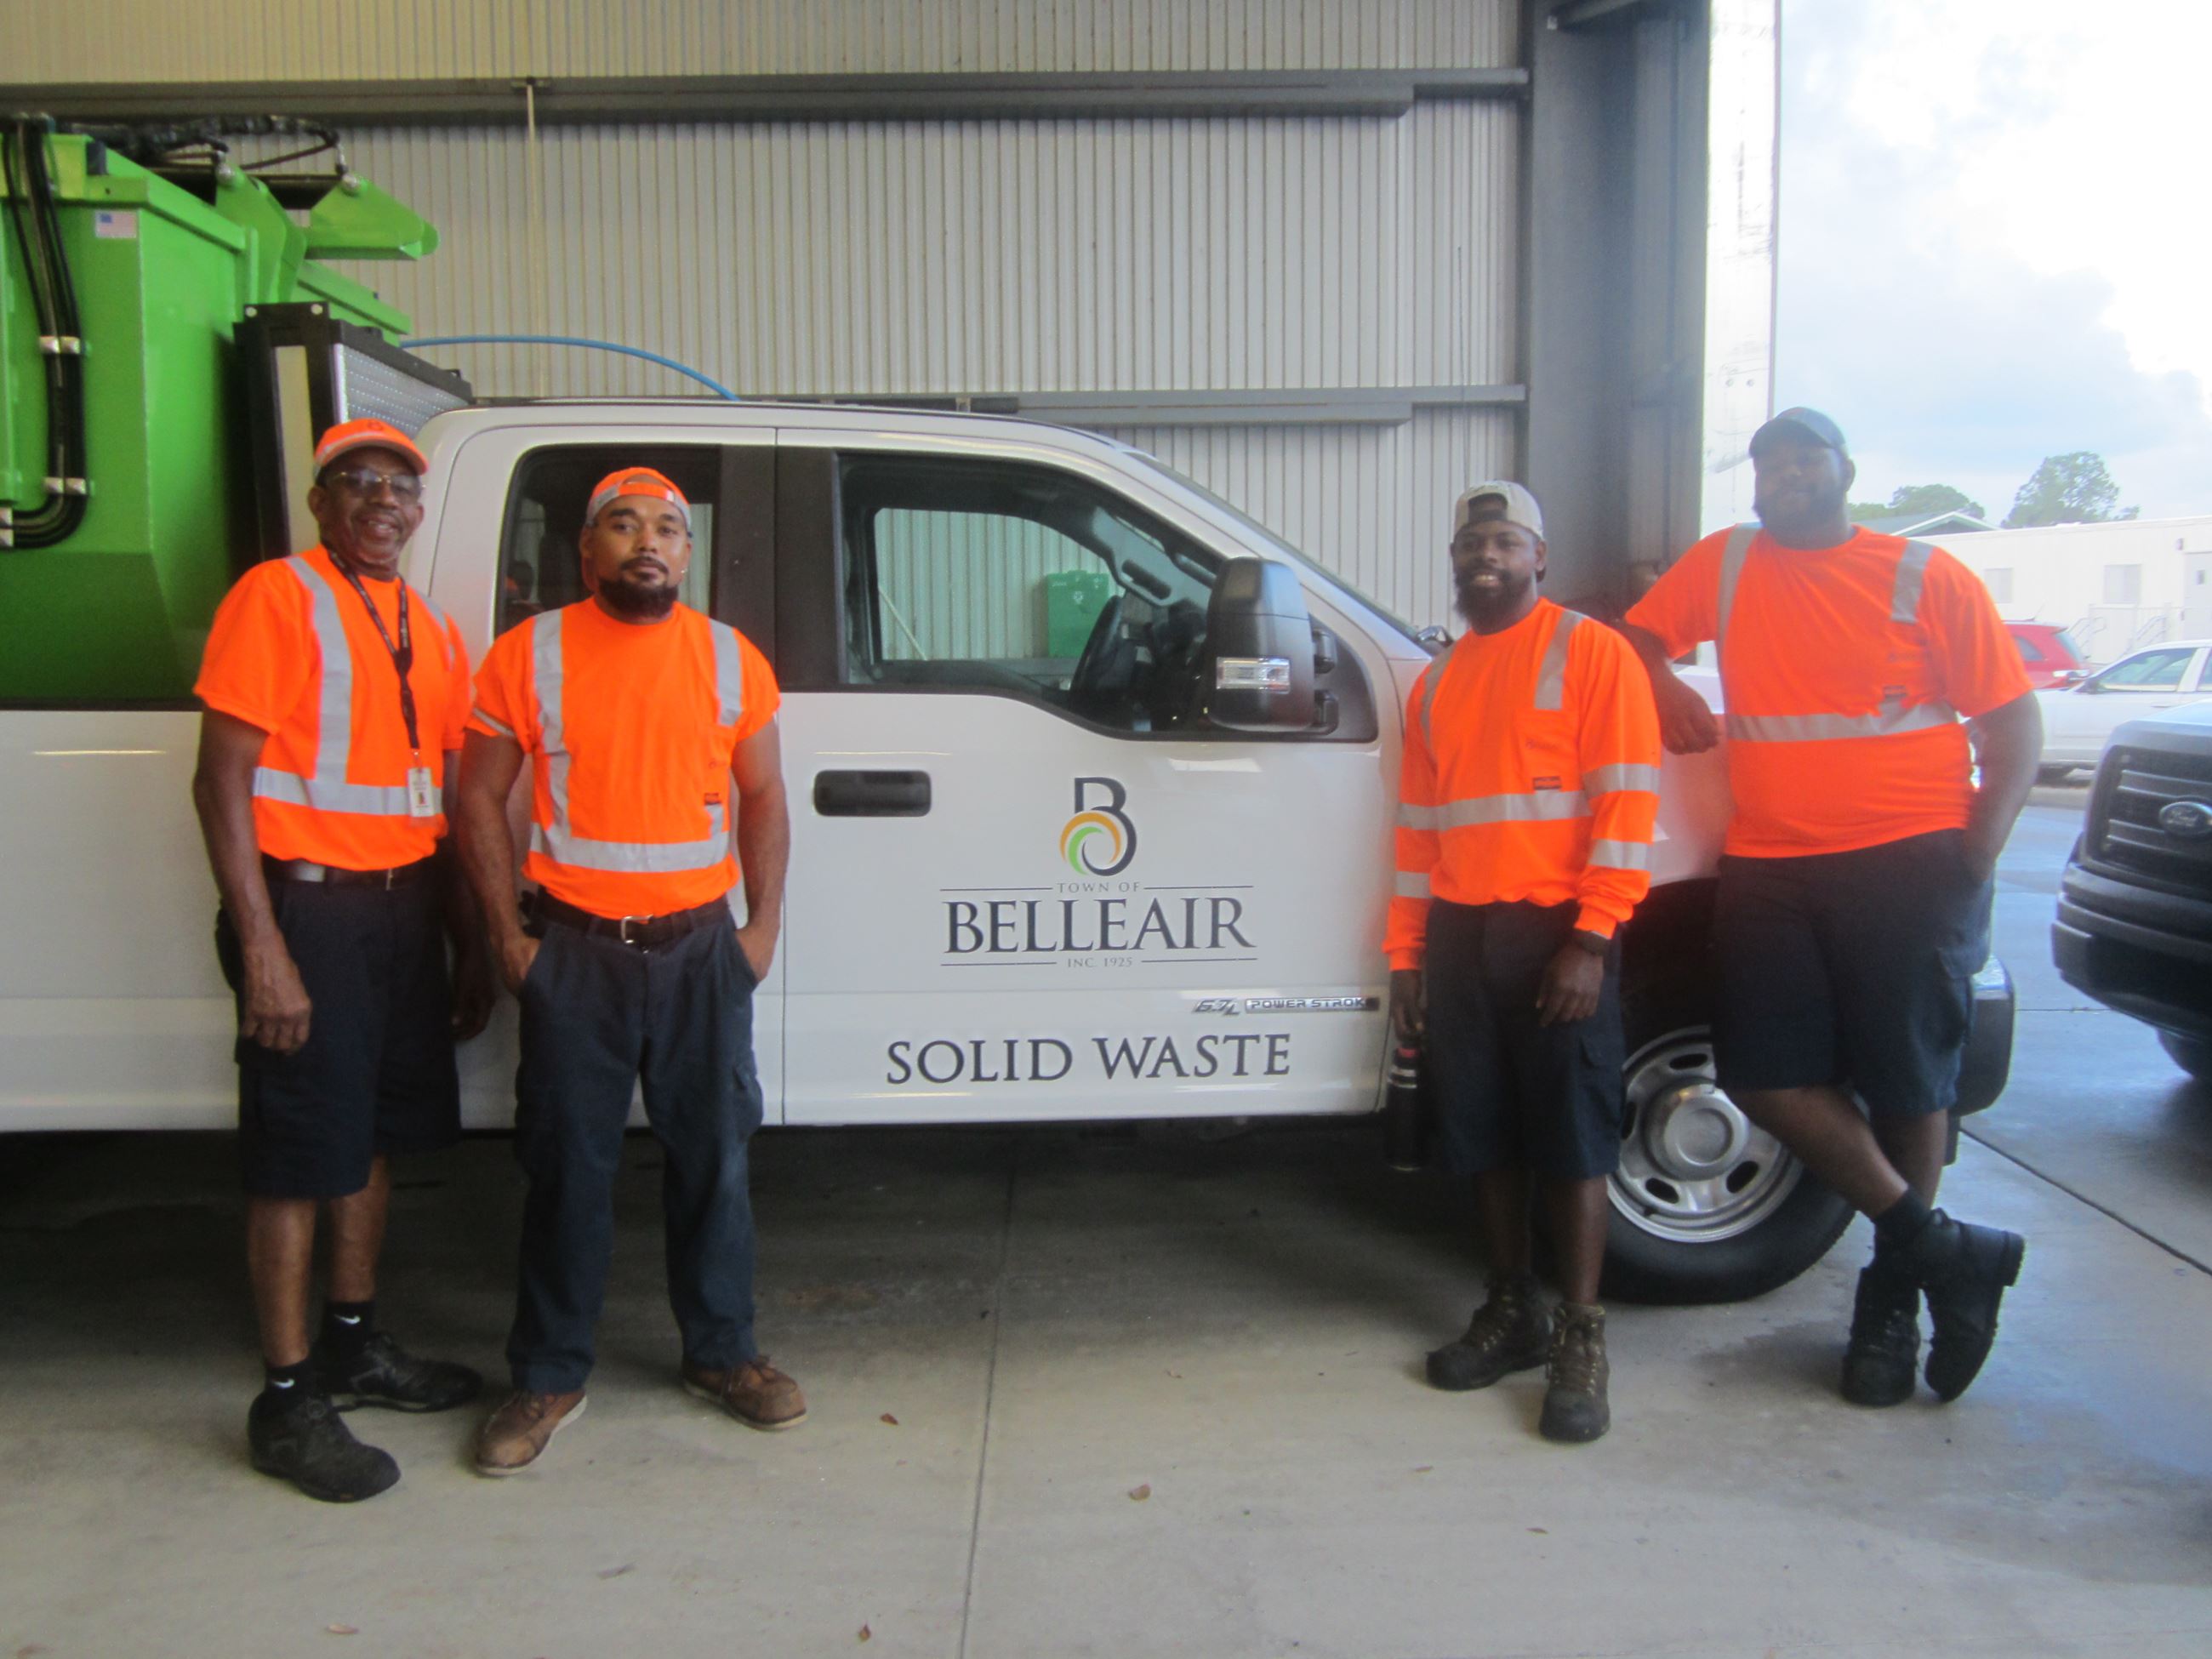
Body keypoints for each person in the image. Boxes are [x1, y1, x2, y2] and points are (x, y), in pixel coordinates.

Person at [1620, 407, 2041, 1407]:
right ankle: (1948, 1251)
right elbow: (1629, 637)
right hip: (1769, 864)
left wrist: (1974, 853)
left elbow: (2012, 724)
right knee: (1765, 1077)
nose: (1785, 474)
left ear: (1843, 469)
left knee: (1907, 1084)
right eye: (1768, 461)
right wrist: (1661, 680)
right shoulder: (1727, 562)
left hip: (1909, 861)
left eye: (1804, 458)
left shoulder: (1922, 574)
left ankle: (1888, 1305)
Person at [454, 465, 801, 1475]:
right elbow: (476, 799)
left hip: (701, 953)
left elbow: (765, 796)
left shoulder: (730, 658)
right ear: (587, 549)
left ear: (687, 553)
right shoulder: (528, 654)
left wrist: (761, 928)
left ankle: (722, 1355)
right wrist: (505, 937)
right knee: (566, 1169)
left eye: (666, 528)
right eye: (622, 524)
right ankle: (550, 1374)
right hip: (575, 956)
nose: (647, 541)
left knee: (716, 1160)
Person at [191, 417, 491, 1502]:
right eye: (356, 482)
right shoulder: (277, 596)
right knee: (298, 1148)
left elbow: (444, 798)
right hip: (306, 911)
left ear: (419, 511)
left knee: (371, 1134)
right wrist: (263, 946)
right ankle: (284, 1398)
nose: (381, 502)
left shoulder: (429, 627)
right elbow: (219, 780)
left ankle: (353, 1343)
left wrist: (465, 938)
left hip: (403, 911)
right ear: (320, 503)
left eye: (399, 487)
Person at [1388, 482, 1662, 1444]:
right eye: (1471, 543)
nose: (1484, 556)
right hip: (1462, 933)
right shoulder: (1437, 682)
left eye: (1504, 541)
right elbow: (1416, 833)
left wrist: (1592, 939)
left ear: (1539, 556)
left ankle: (1580, 1334)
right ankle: (1513, 1310)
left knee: (1574, 1137)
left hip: (1559, 934)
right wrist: (1406, 955)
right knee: (1483, 1133)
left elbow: (1628, 805)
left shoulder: (1591, 651)